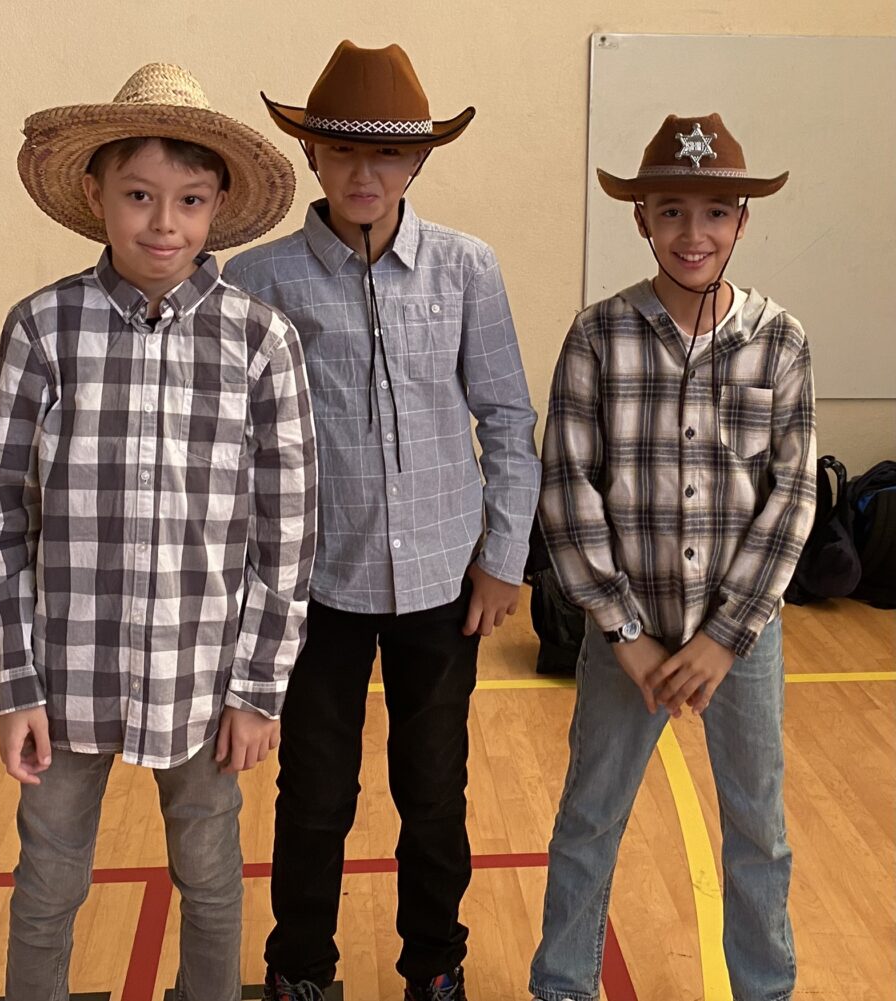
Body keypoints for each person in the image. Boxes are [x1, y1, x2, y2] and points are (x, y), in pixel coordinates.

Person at [0, 62, 317, 1001]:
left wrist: (258, 688)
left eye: (189, 200)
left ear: (218, 206)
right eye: (138, 195)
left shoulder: (260, 341)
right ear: (96, 194)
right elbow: (4, 515)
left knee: (210, 874)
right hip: (65, 671)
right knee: (48, 880)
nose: (164, 224)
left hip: (203, 676)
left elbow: (287, 533)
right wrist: (15, 683)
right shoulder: (42, 329)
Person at [222, 39, 541, 1001]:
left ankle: (434, 963)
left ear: (419, 160)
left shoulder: (467, 268)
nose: (366, 173)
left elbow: (507, 419)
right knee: (315, 793)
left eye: (390, 153)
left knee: (435, 791)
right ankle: (300, 968)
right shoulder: (260, 280)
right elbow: (237, 444)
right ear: (311, 154)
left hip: (444, 583)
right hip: (315, 585)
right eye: (343, 150)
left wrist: (504, 558)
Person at [530, 114, 816, 1001]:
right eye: (672, 212)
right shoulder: (598, 336)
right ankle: (562, 984)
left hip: (742, 639)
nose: (695, 234)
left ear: (743, 222)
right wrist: (623, 631)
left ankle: (765, 987)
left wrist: (727, 637)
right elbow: (568, 488)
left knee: (758, 828)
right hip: (631, 636)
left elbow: (791, 498)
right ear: (641, 219)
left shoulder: (781, 342)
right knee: (590, 817)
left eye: (716, 213)